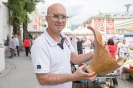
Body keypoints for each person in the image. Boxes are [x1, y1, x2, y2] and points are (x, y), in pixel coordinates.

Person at [31, 3, 96, 88]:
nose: (60, 20)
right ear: (47, 18)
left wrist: (95, 52)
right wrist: (74, 77)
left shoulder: (65, 38)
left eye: (63, 17)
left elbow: (75, 59)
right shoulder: (40, 44)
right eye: (55, 16)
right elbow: (43, 79)